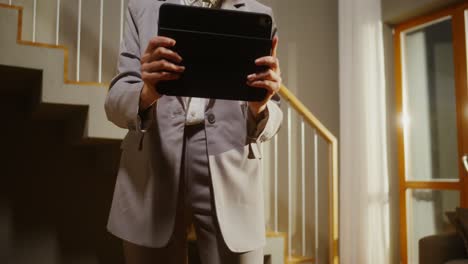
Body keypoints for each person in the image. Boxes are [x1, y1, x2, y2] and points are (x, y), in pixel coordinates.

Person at [104, 0, 283, 263]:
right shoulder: (142, 7)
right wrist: (146, 93)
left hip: (230, 169)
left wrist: (261, 106)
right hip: (152, 165)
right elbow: (114, 103)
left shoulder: (258, 15)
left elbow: (275, 115)